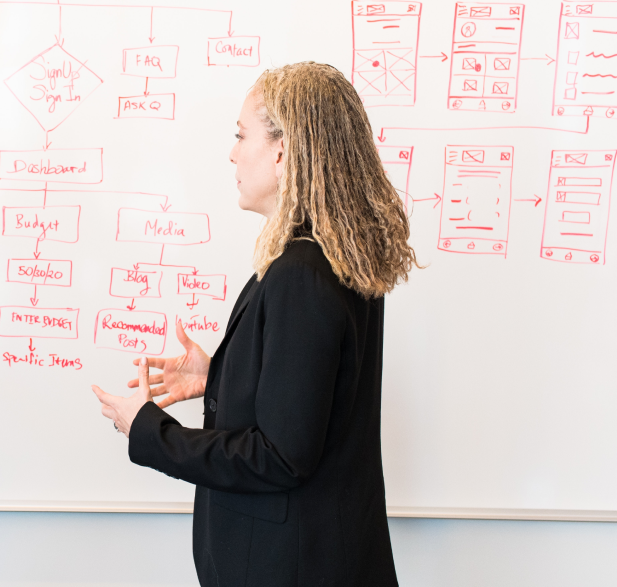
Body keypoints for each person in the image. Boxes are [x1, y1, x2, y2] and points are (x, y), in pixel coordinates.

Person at [92, 62, 417, 586]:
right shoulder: (336, 258)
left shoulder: (302, 274)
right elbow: (312, 402)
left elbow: (281, 456)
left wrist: (150, 431)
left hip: (292, 569)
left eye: (242, 136)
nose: (232, 153)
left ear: (284, 151)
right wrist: (218, 374)